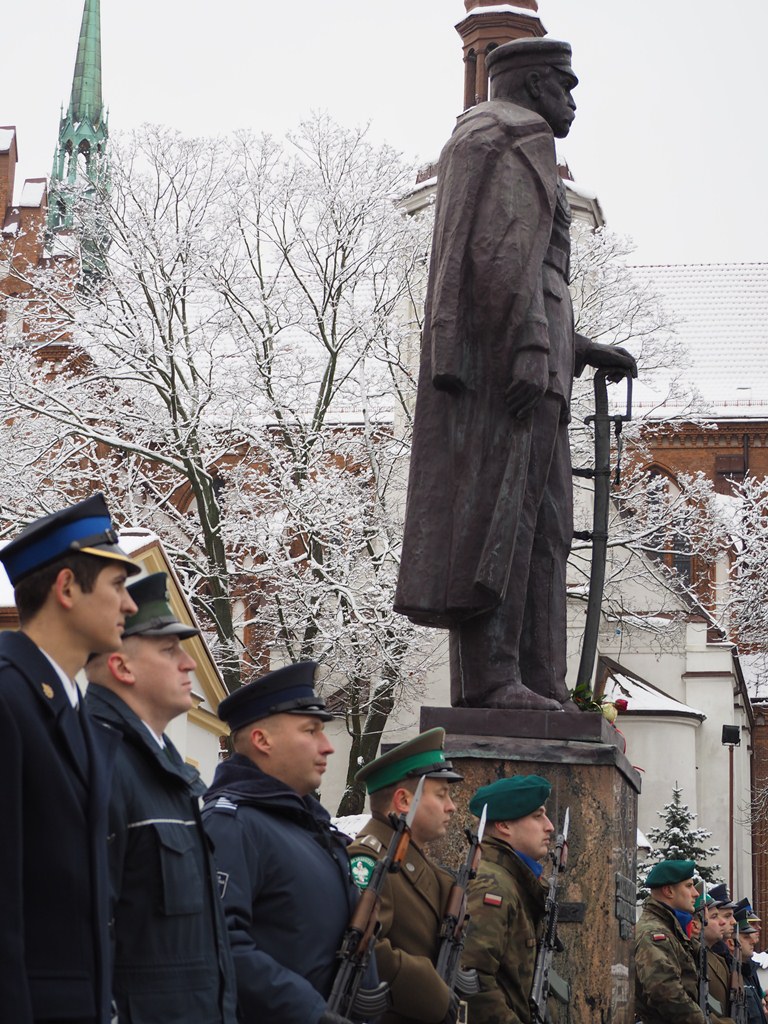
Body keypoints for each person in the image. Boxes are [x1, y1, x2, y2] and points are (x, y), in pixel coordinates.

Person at [394, 37, 637, 710]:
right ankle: (497, 680)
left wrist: (576, 345)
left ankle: (541, 681)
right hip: (514, 367)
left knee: (547, 528)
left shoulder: (510, 136)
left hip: (540, 362)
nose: (574, 101)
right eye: (567, 85)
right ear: (533, 84)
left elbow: (529, 270)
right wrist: (530, 342)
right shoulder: (507, 132)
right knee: (504, 524)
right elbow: (499, 255)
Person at [0, 493, 140, 1024]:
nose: (130, 605)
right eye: (118, 585)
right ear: (65, 588)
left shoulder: (71, 708)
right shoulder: (9, 700)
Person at [85, 571, 236, 1023]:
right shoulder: (101, 764)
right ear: (122, 667)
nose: (190, 664)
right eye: (169, 650)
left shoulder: (165, 772)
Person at [202, 662, 371, 1024]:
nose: (327, 748)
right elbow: (219, 943)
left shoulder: (308, 829)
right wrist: (311, 1014)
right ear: (263, 740)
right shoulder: (231, 824)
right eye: (311, 731)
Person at [347, 728, 464, 1024]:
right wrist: (433, 992)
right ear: (402, 801)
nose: (452, 806)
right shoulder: (369, 859)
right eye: (441, 794)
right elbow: (365, 946)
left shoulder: (415, 859)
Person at [460, 774, 560, 1024]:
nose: (549, 826)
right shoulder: (491, 885)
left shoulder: (513, 880)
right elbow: (472, 977)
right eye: (537, 816)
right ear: (504, 826)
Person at [635, 859, 704, 1024]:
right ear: (668, 891)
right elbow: (664, 990)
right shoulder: (655, 933)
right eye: (688, 886)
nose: (695, 893)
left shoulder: (669, 929)